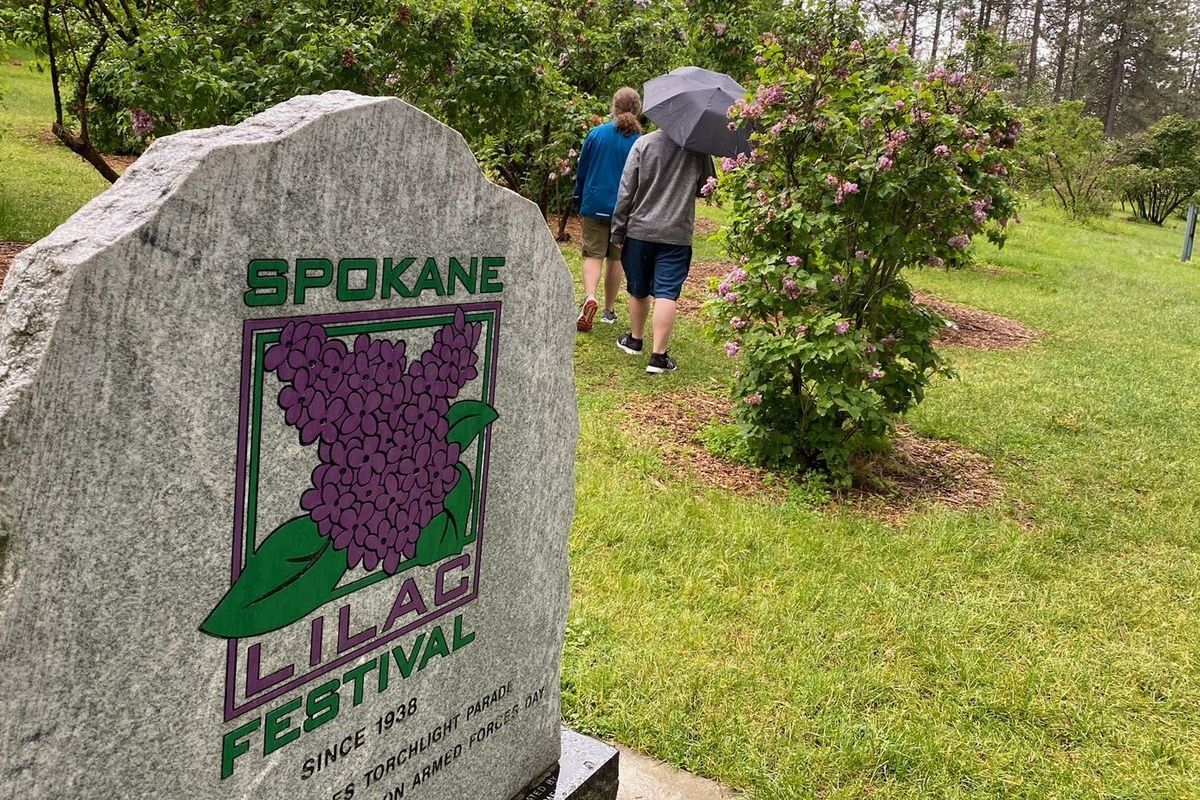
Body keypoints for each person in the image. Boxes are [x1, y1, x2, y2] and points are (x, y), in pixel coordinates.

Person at [609, 129, 716, 373]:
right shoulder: (699, 150)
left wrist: (618, 230)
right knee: (667, 292)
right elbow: (707, 188)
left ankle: (635, 340)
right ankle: (658, 357)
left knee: (639, 288)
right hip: (677, 234)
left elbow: (626, 190)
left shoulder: (643, 144)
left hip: (639, 230)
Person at [571, 87, 643, 332]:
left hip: (595, 204)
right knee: (616, 258)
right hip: (624, 209)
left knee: (592, 255)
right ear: (637, 109)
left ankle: (589, 297)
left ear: (614, 106)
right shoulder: (639, 142)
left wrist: (578, 198)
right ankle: (609, 310)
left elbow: (583, 171)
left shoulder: (596, 134)